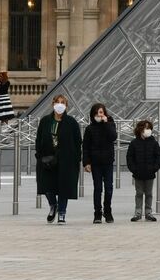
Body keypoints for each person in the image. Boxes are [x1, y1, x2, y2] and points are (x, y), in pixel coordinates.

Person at [35, 95, 83, 223]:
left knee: (63, 187)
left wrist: (77, 158)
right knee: (47, 186)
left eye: (63, 103)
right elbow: (39, 139)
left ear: (66, 106)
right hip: (47, 159)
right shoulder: (45, 121)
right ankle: (53, 205)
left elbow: (78, 141)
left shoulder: (71, 122)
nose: (60, 105)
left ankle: (62, 212)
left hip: (66, 160)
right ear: (53, 104)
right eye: (58, 102)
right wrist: (39, 156)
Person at [82, 103, 118, 223]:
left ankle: (108, 211)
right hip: (95, 162)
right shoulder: (89, 129)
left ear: (105, 113)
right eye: (97, 113)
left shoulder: (110, 124)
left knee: (109, 188)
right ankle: (97, 212)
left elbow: (113, 137)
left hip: (108, 161)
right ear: (93, 115)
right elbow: (85, 147)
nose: (99, 115)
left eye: (101, 112)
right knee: (98, 188)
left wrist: (106, 123)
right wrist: (86, 162)